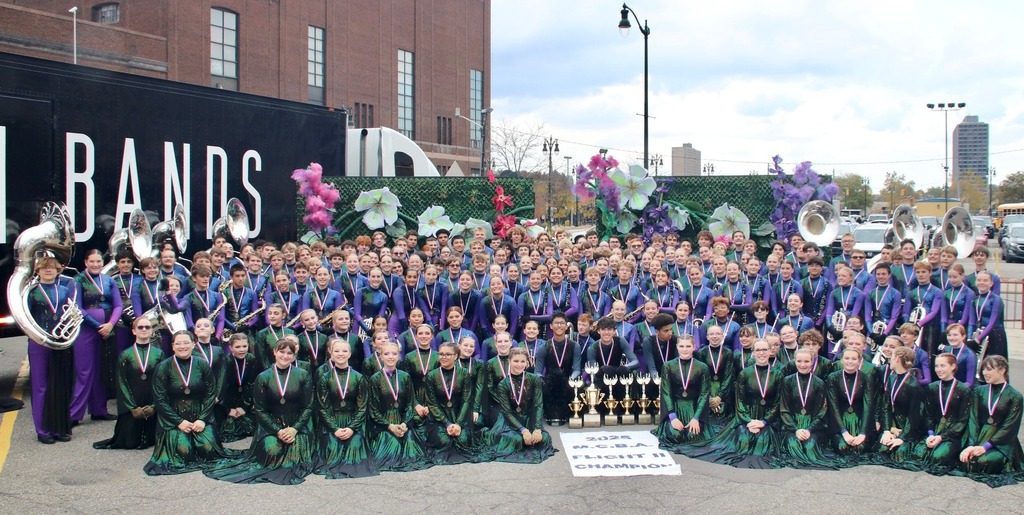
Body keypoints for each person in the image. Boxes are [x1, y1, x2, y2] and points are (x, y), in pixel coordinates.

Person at [204, 337, 316, 485]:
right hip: (271, 425)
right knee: (272, 453)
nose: (285, 356)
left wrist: (294, 429)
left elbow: (308, 406)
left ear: (294, 356)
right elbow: (260, 410)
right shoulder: (263, 377)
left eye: (290, 353)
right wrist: (278, 431)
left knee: (295, 455)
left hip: (297, 425)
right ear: (274, 352)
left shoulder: (303, 374)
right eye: (282, 352)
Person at [145, 331, 233, 475]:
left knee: (208, 449)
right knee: (183, 452)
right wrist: (178, 421)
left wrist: (202, 419)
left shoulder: (202, 364)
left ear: (193, 344)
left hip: (199, 414)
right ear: (172, 346)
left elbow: (210, 393)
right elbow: (159, 398)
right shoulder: (164, 367)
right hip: (173, 416)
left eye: (186, 342)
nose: (182, 346)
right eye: (178, 343)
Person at [686, 338, 782, 468]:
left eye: (764, 349)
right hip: (746, 416)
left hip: (768, 418)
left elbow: (778, 403)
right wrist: (749, 421)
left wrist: (763, 422)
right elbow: (740, 402)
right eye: (758, 350)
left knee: (762, 442)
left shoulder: (778, 374)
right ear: (753, 352)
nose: (761, 353)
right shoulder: (745, 374)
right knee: (744, 440)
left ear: (770, 351)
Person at [94, 317, 165, 450]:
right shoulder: (125, 355)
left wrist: (154, 406)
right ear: (133, 331)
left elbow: (162, 382)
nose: (144, 330)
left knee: (154, 440)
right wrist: (132, 407)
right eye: (140, 327)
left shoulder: (159, 354)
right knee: (130, 443)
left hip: (151, 400)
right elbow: (122, 382)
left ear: (152, 331)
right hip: (132, 402)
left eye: (147, 327)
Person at [313, 337, 378, 479]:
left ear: (350, 354)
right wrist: (335, 429)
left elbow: (362, 407)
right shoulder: (325, 378)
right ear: (331, 353)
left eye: (344, 351)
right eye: (337, 351)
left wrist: (351, 428)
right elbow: (322, 407)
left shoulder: (359, 378)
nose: (340, 354)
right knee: (332, 449)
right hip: (332, 422)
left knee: (354, 447)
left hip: (353, 421)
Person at [25, 256, 75, 444]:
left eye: (52, 268)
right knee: (41, 386)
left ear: (58, 270)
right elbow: (26, 317)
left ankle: (58, 427)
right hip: (39, 342)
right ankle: (42, 430)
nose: (48, 270)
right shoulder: (31, 292)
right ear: (38, 271)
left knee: (59, 385)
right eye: (44, 268)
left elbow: (69, 312)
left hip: (59, 340)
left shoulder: (63, 290)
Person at [73, 249, 123, 424]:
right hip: (86, 331)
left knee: (103, 370)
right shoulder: (77, 281)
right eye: (92, 261)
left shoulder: (109, 280)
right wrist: (97, 326)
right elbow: (77, 307)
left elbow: (118, 305)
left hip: (107, 330)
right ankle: (74, 414)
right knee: (85, 371)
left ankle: (99, 409)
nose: (96, 265)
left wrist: (110, 324)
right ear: (86, 262)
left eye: (98, 261)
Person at [956, 356, 1024, 486]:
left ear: (1002, 370)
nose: (985, 373)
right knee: (966, 460)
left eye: (989, 369)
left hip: (1002, 442)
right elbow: (973, 419)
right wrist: (971, 444)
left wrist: (985, 447)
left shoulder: (1015, 396)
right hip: (980, 436)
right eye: (983, 370)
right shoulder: (979, 391)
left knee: (982, 463)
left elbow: (1009, 427)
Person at [367, 342, 431, 472]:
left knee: (411, 450)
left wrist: (405, 423)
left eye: (394, 353)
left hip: (403, 421)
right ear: (381, 356)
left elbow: (409, 403)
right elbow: (373, 409)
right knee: (392, 449)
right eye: (386, 354)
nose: (390, 357)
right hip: (384, 423)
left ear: (399, 356)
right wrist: (389, 426)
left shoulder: (405, 376)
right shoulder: (375, 379)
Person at [487, 348, 556, 464]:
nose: (519, 365)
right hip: (510, 421)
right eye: (516, 361)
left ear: (527, 363)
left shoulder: (534, 379)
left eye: (522, 361)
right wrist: (523, 430)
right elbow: (507, 412)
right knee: (516, 440)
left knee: (543, 439)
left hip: (529, 418)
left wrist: (537, 429)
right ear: (509, 361)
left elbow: (538, 405)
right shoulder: (503, 384)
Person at [775, 349, 836, 469]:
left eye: (806, 361)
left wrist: (809, 429)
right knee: (793, 445)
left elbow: (821, 411)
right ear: (795, 362)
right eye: (799, 361)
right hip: (792, 423)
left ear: (812, 362)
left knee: (810, 447)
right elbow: (784, 409)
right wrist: (795, 429)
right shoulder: (787, 381)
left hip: (812, 424)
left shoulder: (819, 383)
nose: (802, 365)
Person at [422, 342, 480, 465]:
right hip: (439, 417)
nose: (444, 357)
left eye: (448, 354)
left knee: (462, 440)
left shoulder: (464, 373)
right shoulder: (432, 375)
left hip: (460, 415)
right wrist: (447, 424)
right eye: (441, 354)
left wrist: (458, 424)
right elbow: (432, 403)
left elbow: (466, 400)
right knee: (444, 441)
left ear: (456, 356)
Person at [913, 353, 971, 474]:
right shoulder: (932, 387)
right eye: (936, 366)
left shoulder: (963, 389)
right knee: (918, 454)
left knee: (938, 457)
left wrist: (942, 437)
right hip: (935, 430)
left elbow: (962, 420)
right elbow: (928, 414)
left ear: (953, 367)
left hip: (952, 433)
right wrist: (930, 434)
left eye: (943, 366)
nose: (939, 369)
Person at [653, 335, 711, 450]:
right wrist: (672, 417)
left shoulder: (702, 367)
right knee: (675, 436)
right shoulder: (668, 366)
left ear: (694, 347)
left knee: (693, 437)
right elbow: (666, 392)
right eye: (682, 346)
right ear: (677, 347)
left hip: (693, 407)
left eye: (688, 346)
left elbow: (704, 394)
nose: (685, 349)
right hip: (675, 406)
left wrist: (696, 418)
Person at [826, 347, 876, 461]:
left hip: (859, 419)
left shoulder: (866, 377)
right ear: (842, 360)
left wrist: (863, 433)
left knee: (860, 448)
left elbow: (868, 405)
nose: (850, 361)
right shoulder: (833, 377)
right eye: (847, 358)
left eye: (854, 359)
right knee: (842, 447)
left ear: (859, 361)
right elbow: (833, 406)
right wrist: (843, 432)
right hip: (840, 420)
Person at [878, 346, 924, 466]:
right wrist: (887, 430)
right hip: (892, 424)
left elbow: (914, 415)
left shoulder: (913, 385)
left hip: (907, 427)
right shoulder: (892, 378)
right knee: (882, 448)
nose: (890, 360)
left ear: (897, 359)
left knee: (898, 454)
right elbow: (886, 407)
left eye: (892, 357)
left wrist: (902, 437)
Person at [535, 312, 581, 426]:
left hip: (568, 381)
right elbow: (537, 371)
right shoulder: (544, 347)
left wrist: (570, 380)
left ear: (566, 326)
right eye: (556, 323)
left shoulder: (574, 345)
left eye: (562, 323)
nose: (559, 326)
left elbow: (577, 369)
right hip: (549, 383)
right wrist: (544, 382)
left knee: (579, 385)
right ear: (551, 326)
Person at [218, 333, 259, 443]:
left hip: (245, 400)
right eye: (238, 347)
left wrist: (244, 407)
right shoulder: (226, 361)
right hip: (229, 401)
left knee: (251, 427)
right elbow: (222, 386)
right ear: (230, 348)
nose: (242, 350)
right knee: (228, 428)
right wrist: (228, 409)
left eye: (244, 346)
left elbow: (252, 384)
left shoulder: (252, 359)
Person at [969, 271, 1007, 360]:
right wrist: (971, 339)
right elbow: (972, 322)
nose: (982, 283)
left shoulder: (996, 299)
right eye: (979, 280)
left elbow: (992, 322)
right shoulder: (974, 300)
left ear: (991, 284)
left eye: (985, 280)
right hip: (979, 334)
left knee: (993, 364)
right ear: (976, 282)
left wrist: (978, 339)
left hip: (994, 334)